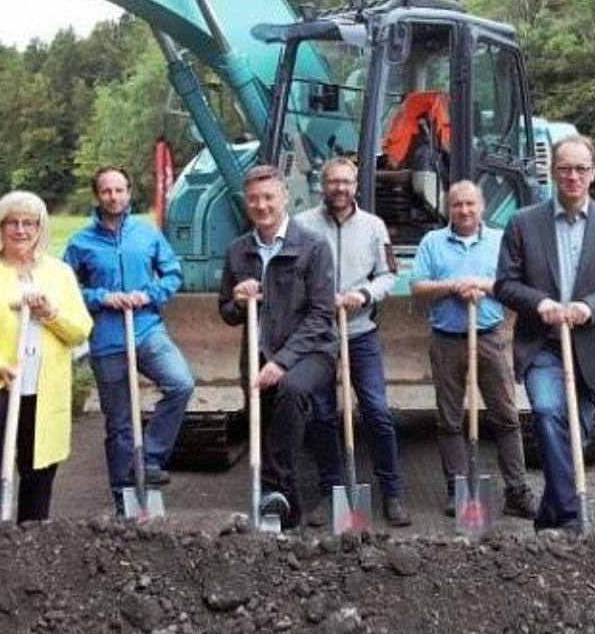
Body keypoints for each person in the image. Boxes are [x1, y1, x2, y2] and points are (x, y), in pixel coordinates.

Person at [494, 135, 595, 533]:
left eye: (581, 168)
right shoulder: (523, 223)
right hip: (542, 344)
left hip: (591, 346)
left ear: (593, 173)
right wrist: (539, 302)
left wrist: (590, 307)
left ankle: (550, 514)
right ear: (552, 172)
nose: (572, 176)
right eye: (564, 168)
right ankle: (575, 514)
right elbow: (504, 284)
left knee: (577, 429)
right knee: (546, 412)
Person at [0, 191, 93, 524]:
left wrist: (50, 313)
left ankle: (33, 529)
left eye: (29, 223)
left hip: (44, 378)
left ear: (40, 228)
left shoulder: (58, 273)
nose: (21, 230)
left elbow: (80, 330)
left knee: (39, 458)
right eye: (12, 223)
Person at [64, 166, 194, 515]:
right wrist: (101, 297)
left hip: (146, 330)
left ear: (129, 191)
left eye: (120, 190)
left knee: (181, 383)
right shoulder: (80, 242)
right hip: (107, 339)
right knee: (119, 421)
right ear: (97, 195)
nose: (114, 197)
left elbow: (173, 274)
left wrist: (147, 294)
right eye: (107, 191)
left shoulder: (147, 234)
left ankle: (148, 458)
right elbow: (67, 288)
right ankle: (125, 498)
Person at [218, 164, 337, 530]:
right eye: (254, 198)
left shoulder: (313, 247)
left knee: (290, 391)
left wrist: (282, 362)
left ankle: (271, 488)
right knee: (269, 429)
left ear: (284, 197)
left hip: (312, 353)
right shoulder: (238, 251)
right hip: (257, 353)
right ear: (246, 202)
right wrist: (238, 301)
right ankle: (287, 517)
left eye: (269, 197)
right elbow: (225, 312)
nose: (262, 205)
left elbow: (321, 315)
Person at [294, 156, 410, 527]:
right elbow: (292, 276)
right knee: (324, 414)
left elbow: (389, 274)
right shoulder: (301, 226)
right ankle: (331, 493)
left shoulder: (374, 227)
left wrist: (364, 294)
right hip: (318, 335)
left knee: (377, 410)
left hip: (360, 333)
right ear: (322, 185)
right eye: (333, 182)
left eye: (346, 182)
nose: (339, 188)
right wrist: (318, 298)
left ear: (356, 185)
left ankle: (391, 492)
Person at [411, 180, 536, 521]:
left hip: (489, 337)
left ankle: (517, 490)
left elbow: (515, 287)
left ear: (482, 207)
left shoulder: (500, 241)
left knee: (506, 417)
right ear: (448, 208)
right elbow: (418, 287)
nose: (464, 211)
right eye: (457, 205)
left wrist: (483, 284)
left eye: (470, 204)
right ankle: (457, 489)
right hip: (446, 339)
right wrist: (453, 286)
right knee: (450, 418)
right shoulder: (432, 242)